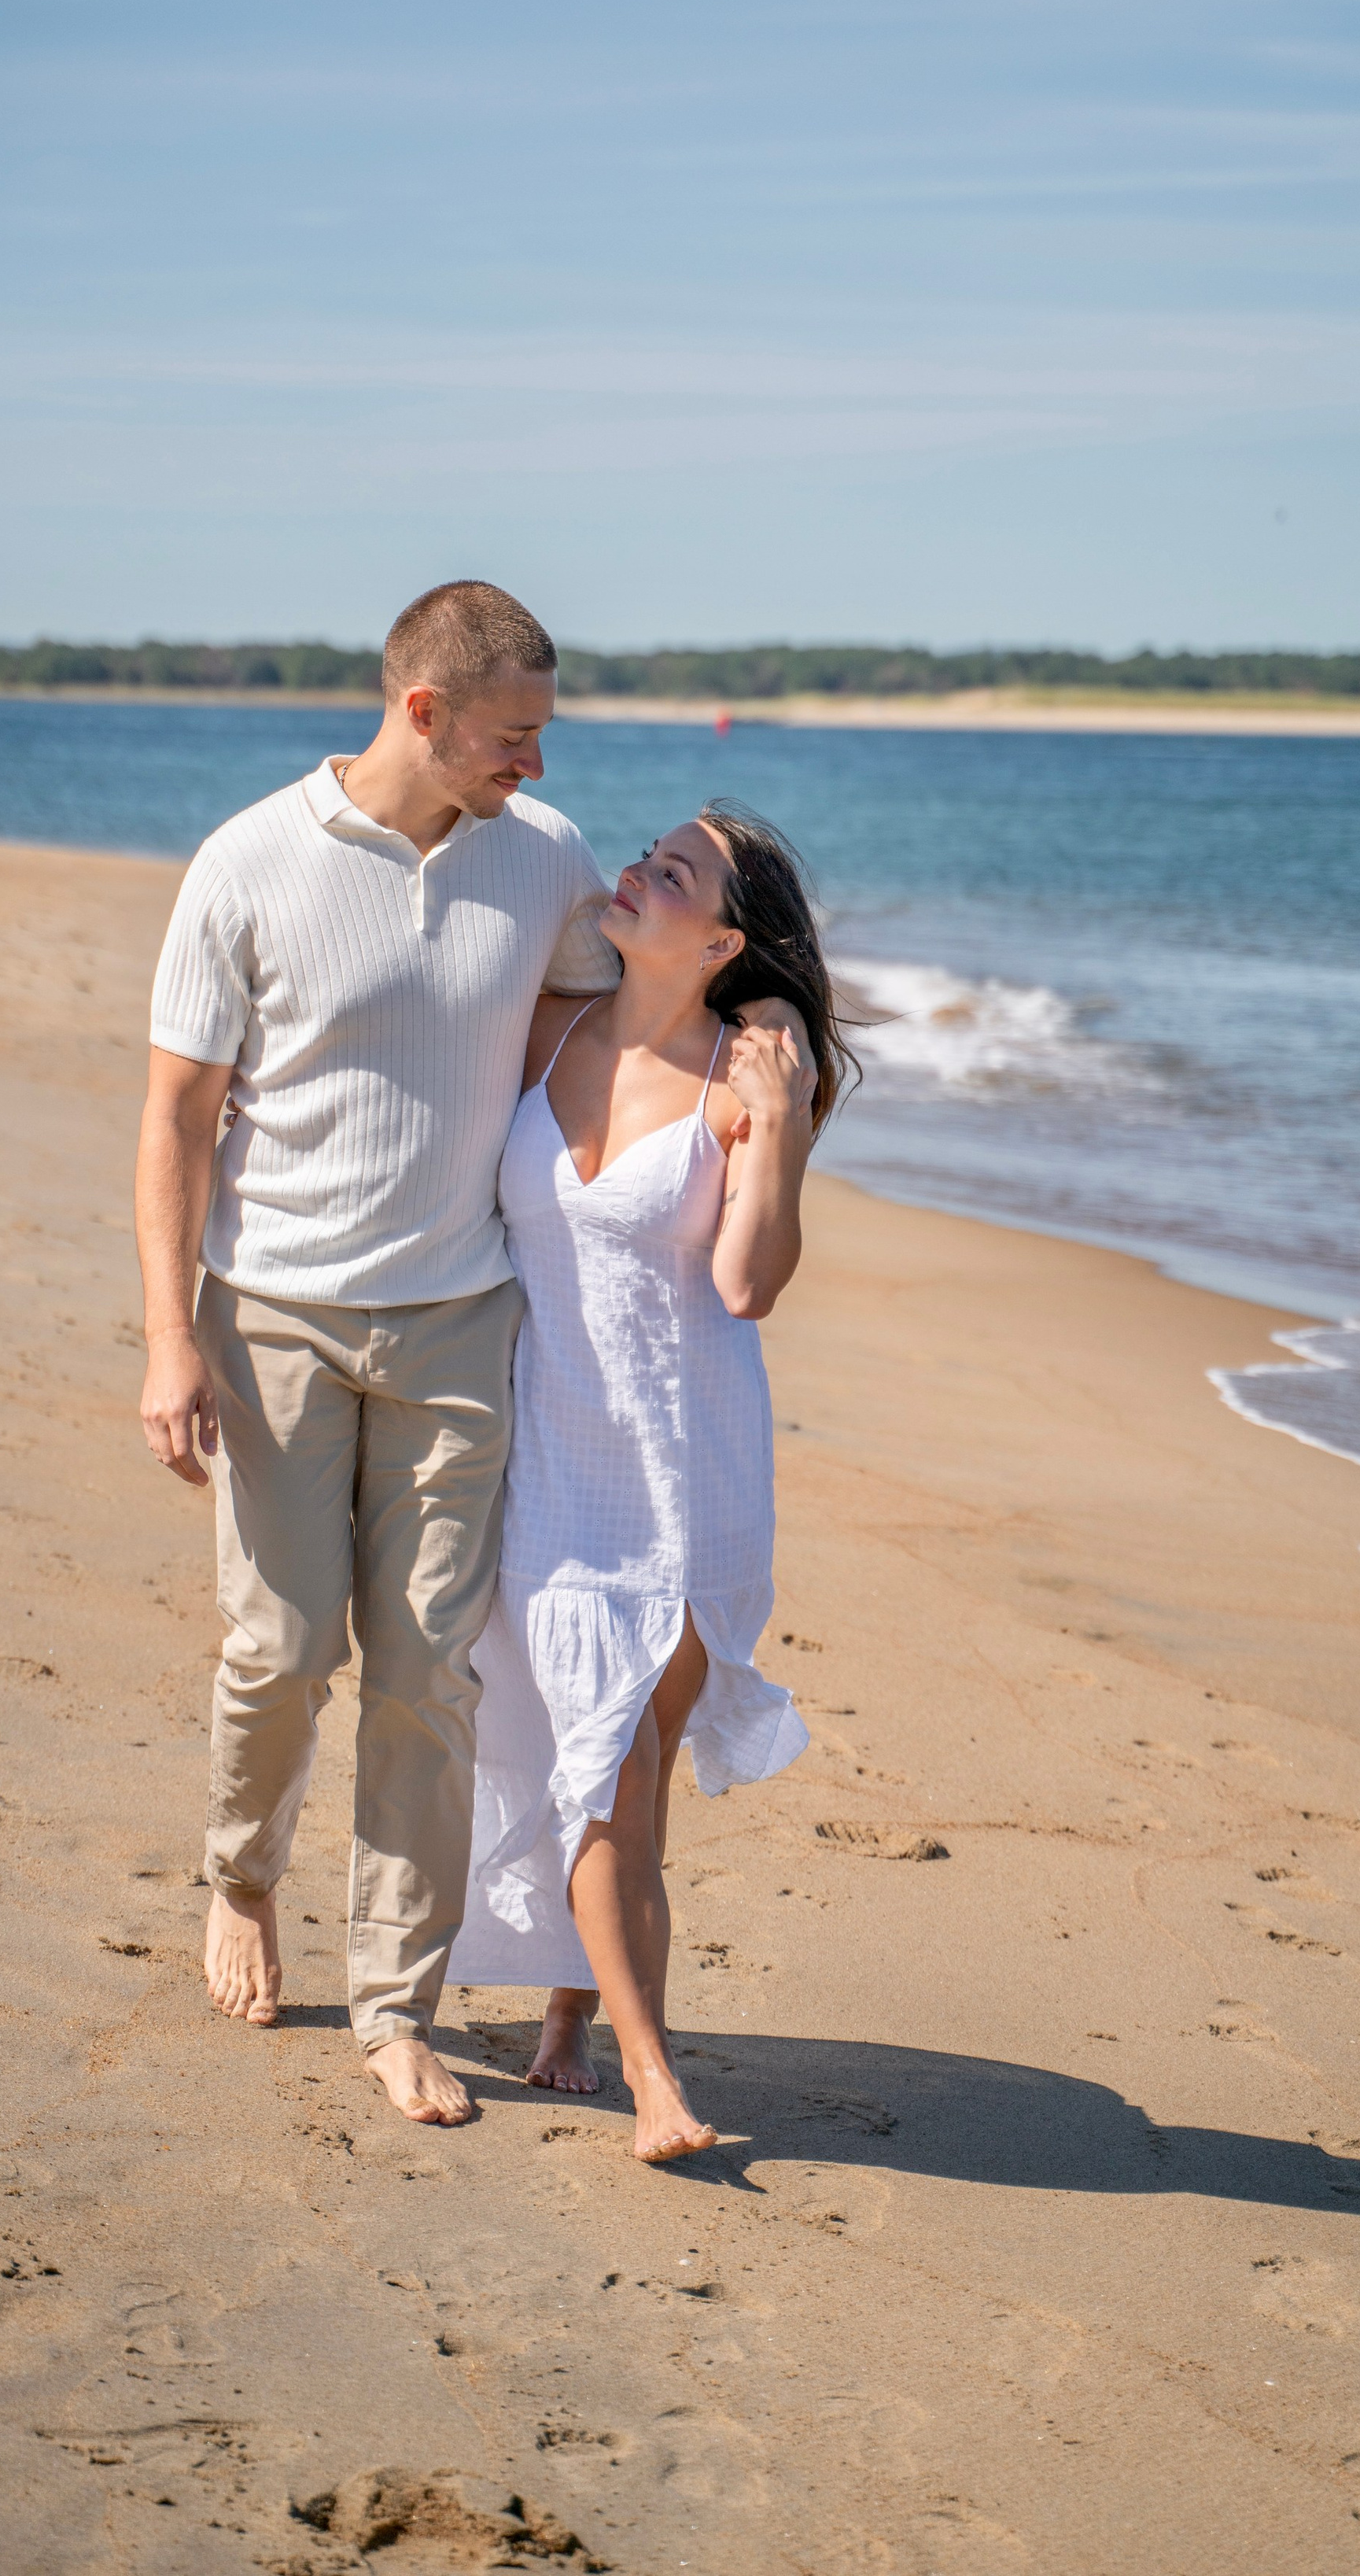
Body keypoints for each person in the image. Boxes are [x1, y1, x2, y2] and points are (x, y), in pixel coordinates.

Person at [134, 581, 622, 2127]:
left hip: (457, 1323)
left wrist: (772, 1069)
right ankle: (240, 1872)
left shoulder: (541, 861)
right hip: (268, 1315)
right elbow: (172, 1119)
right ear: (423, 711)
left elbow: (611, 1027)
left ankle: (398, 2004)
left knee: (425, 1678)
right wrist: (168, 1338)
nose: (533, 765)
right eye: (511, 735)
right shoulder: (249, 861)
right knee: (279, 1653)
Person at [446, 802, 857, 2162]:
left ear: (724, 936)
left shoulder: (738, 1085)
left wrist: (784, 1118)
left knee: (629, 1772)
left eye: (670, 873)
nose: (635, 872)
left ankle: (626, 2052)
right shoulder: (550, 1028)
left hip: (685, 1489)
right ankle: (609, 2035)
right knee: (604, 1771)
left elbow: (748, 1282)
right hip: (555, 1471)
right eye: (644, 855)